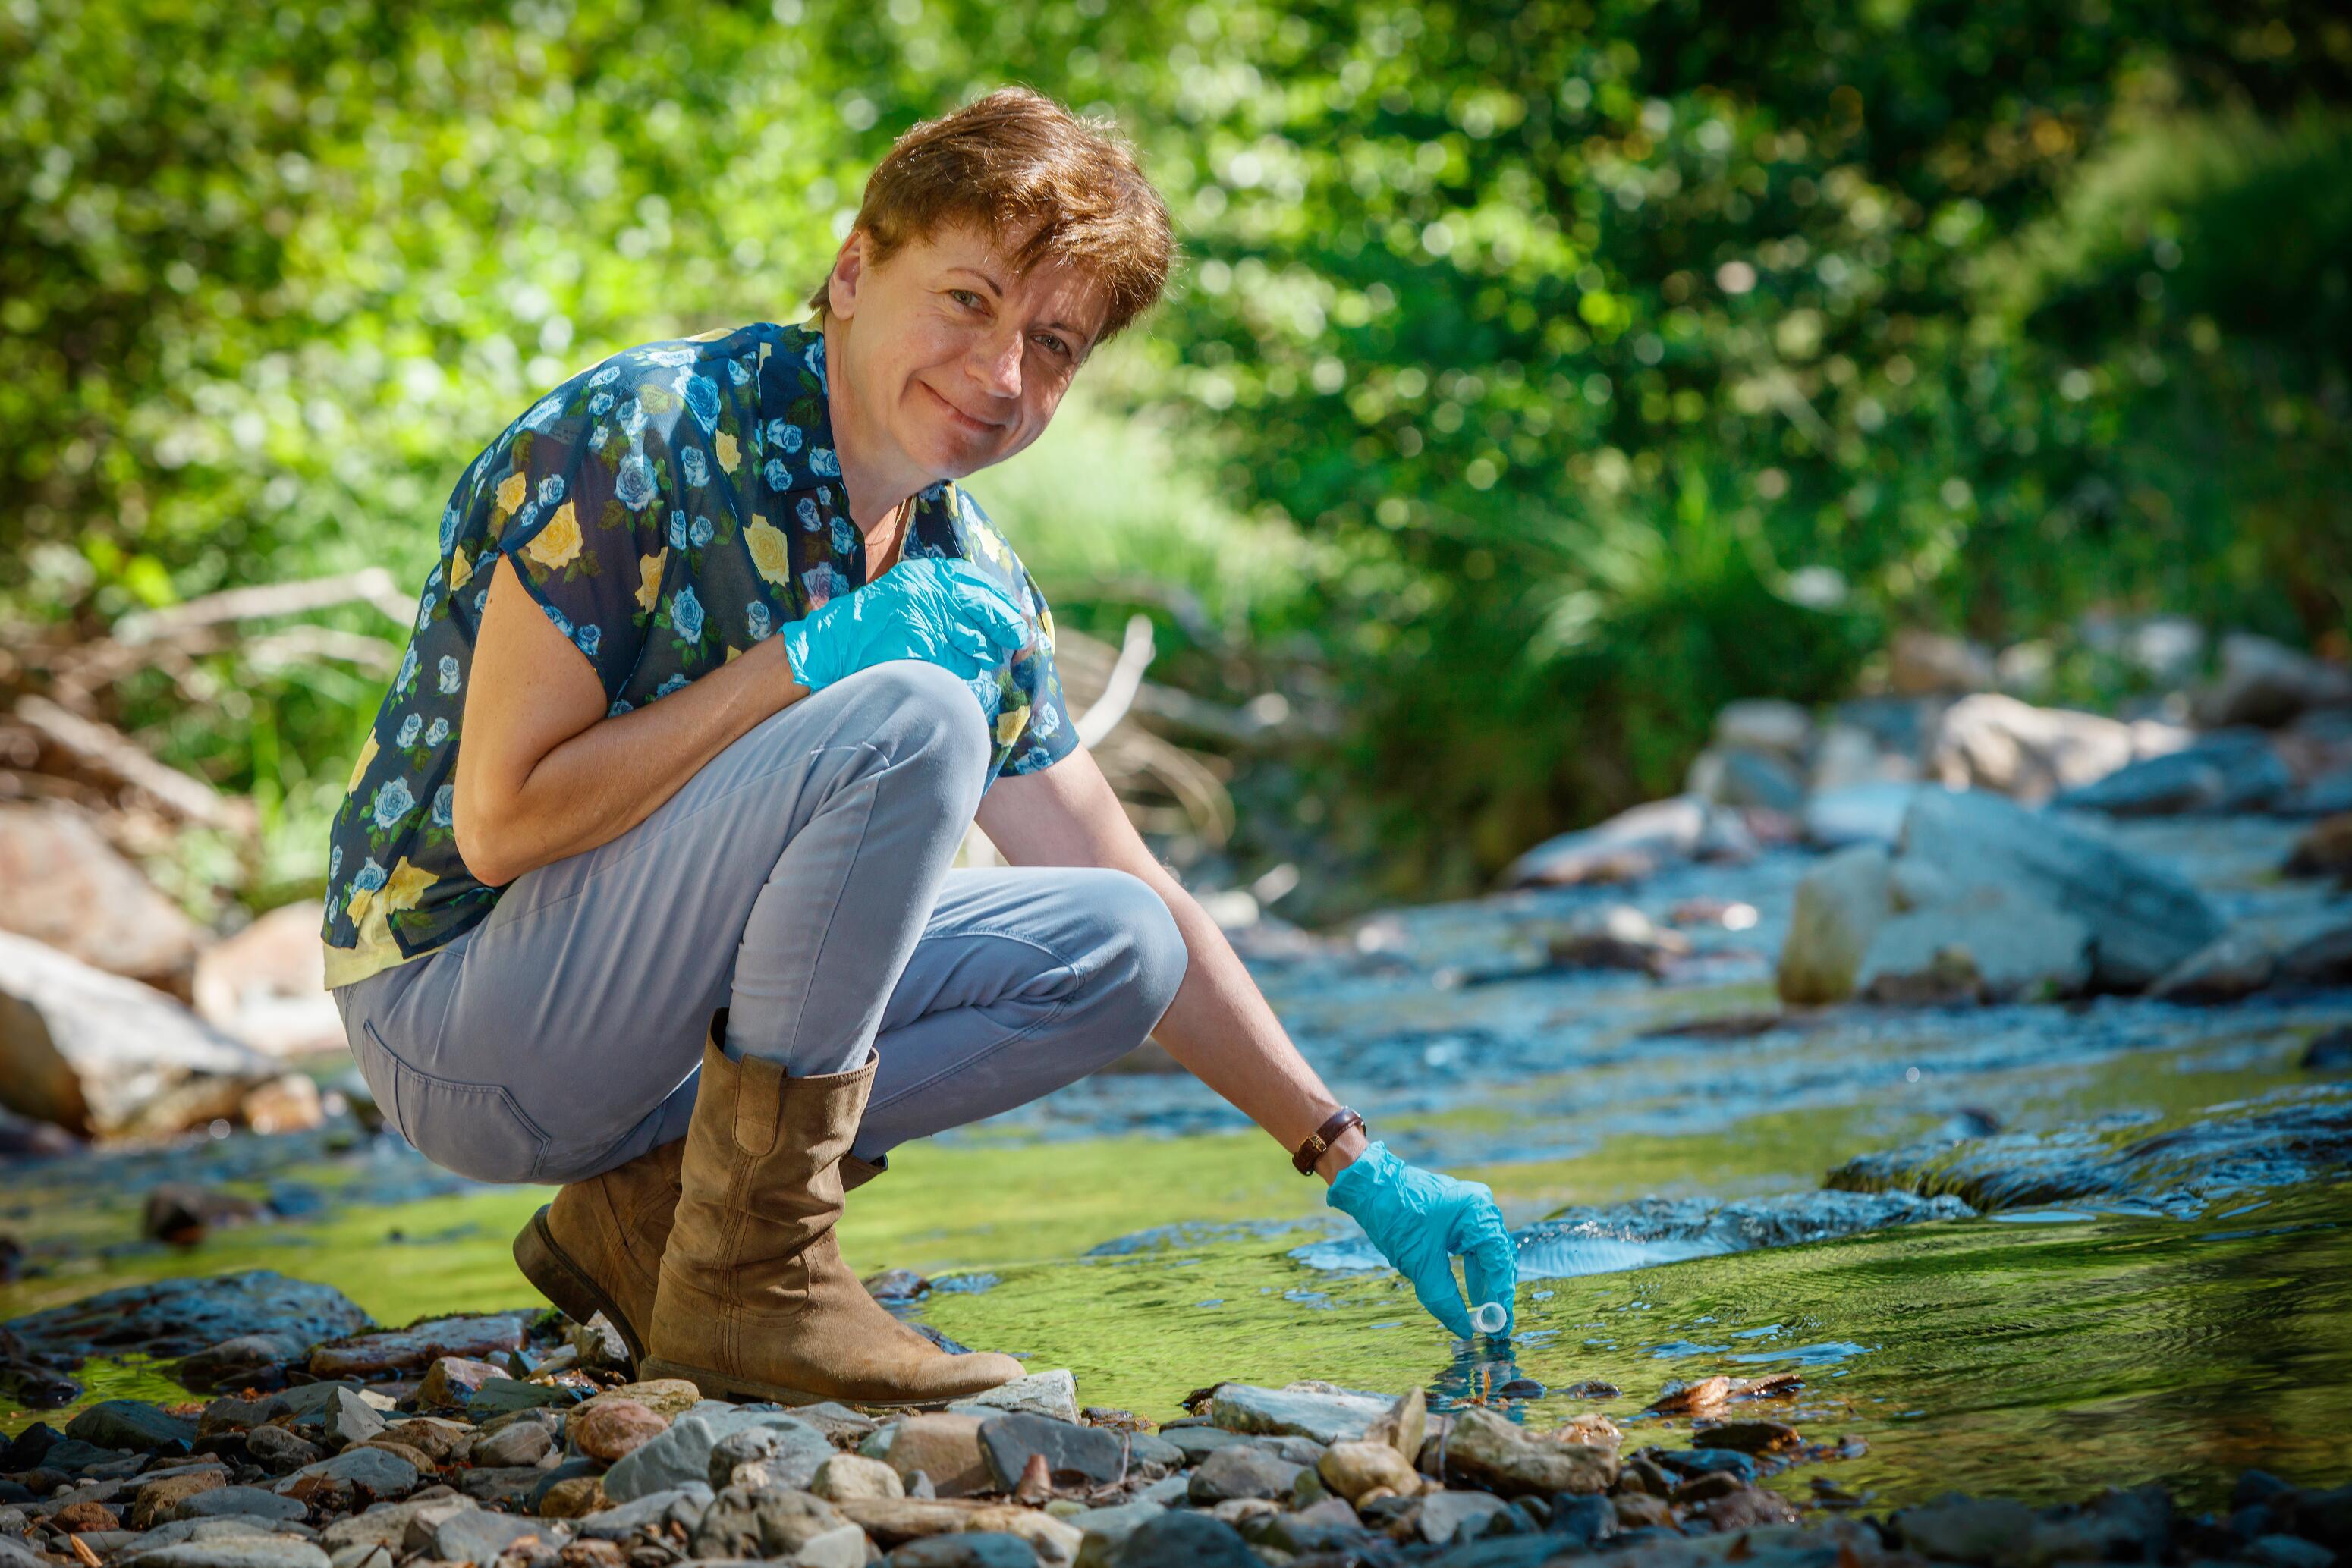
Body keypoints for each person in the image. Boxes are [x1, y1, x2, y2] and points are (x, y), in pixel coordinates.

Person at [323, 85, 1517, 1408]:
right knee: (917, 714)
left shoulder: (967, 571)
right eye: (968, 300)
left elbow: (1133, 882)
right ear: (853, 272)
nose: (1003, 374)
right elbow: (500, 825)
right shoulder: (641, 435)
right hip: (464, 1021)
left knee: (1125, 942)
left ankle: (660, 1221)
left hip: (646, 1055)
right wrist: (806, 661)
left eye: (1053, 344)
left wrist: (1353, 1161)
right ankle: (758, 1279)